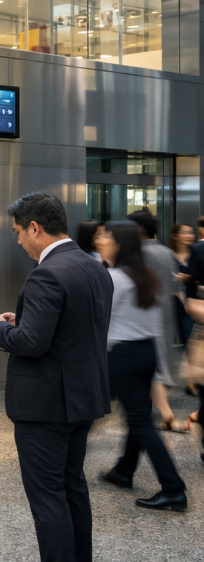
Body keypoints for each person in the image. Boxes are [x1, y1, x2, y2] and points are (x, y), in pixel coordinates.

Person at [0, 191, 112, 562]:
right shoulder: (93, 267)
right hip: (82, 398)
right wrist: (20, 321)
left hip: (44, 406)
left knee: (47, 498)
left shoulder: (46, 274)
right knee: (72, 487)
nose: (19, 240)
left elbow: (30, 342)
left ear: (35, 228)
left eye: (18, 232)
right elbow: (71, 329)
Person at [96, 221, 188, 511]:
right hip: (146, 352)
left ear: (119, 244)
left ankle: (173, 488)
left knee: (139, 422)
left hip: (122, 356)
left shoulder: (114, 278)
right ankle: (123, 471)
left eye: (106, 237)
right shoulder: (146, 277)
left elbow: (98, 319)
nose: (101, 241)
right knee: (138, 416)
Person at [128, 210, 189, 433]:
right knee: (157, 362)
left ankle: (165, 416)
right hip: (164, 315)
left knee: (151, 366)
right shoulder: (165, 252)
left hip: (142, 316)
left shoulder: (136, 254)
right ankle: (162, 414)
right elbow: (175, 287)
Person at [170, 222, 197, 343]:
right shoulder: (168, 256)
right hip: (176, 306)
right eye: (184, 233)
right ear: (174, 236)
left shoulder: (198, 255)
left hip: (196, 304)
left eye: (190, 232)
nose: (189, 235)